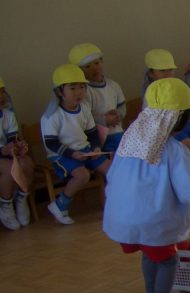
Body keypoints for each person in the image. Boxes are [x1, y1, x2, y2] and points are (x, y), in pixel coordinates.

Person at [103, 78, 190, 293]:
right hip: (152, 219)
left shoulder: (130, 140)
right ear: (180, 118)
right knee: (168, 259)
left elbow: (113, 175)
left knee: (150, 255)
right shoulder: (173, 151)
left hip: (123, 216)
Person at [41, 64, 111, 225]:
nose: (79, 92)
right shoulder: (52, 115)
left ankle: (115, 200)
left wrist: (96, 147)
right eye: (72, 88)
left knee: (112, 168)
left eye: (82, 87)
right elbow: (51, 142)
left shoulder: (84, 108)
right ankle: (60, 204)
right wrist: (71, 153)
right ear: (60, 91)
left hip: (85, 150)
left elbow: (92, 132)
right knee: (82, 175)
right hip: (62, 155)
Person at [142, 48, 190, 184]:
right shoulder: (151, 92)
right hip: (168, 129)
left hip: (186, 123)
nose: (167, 73)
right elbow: (150, 118)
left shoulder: (178, 86)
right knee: (187, 145)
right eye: (162, 71)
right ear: (151, 73)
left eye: (170, 69)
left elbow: (188, 107)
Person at [69, 43, 126, 155]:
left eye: (96, 63)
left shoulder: (113, 85)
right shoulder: (84, 92)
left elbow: (122, 105)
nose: (94, 68)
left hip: (118, 132)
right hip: (99, 139)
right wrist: (104, 120)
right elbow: (85, 116)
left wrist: (118, 115)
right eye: (87, 66)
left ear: (102, 62)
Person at [0, 76, 34, 230]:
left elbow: (13, 138)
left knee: (26, 162)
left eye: (2, 92)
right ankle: (6, 204)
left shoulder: (7, 114)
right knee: (8, 169)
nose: (1, 97)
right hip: (2, 157)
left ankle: (21, 199)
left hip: (6, 155)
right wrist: (3, 150)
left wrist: (19, 146)